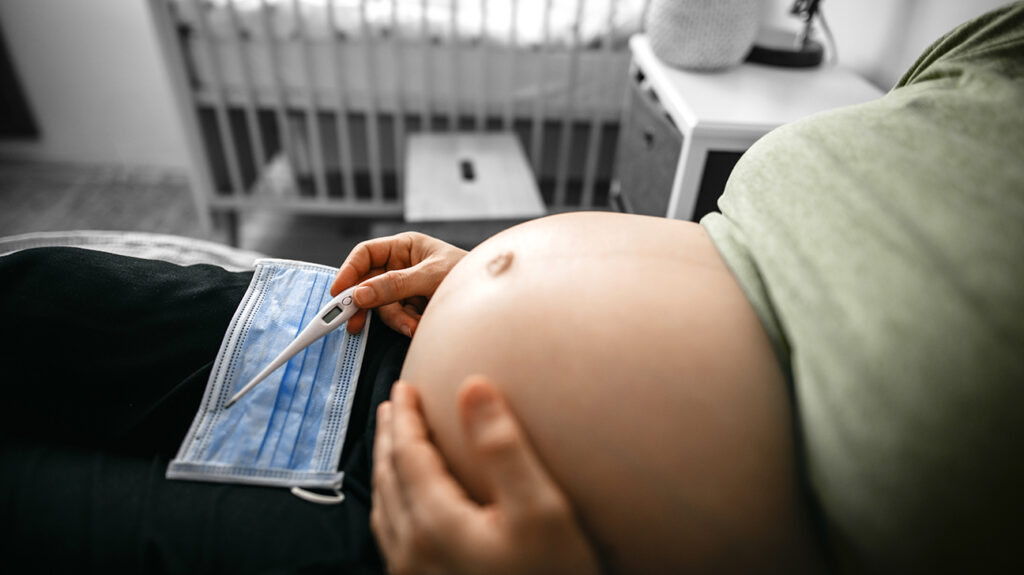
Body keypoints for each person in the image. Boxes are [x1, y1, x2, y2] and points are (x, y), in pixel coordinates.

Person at [2, 3, 1022, 574]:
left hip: (438, 537)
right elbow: (746, 251)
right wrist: (496, 267)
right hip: (388, 341)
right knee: (30, 298)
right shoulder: (997, 52)